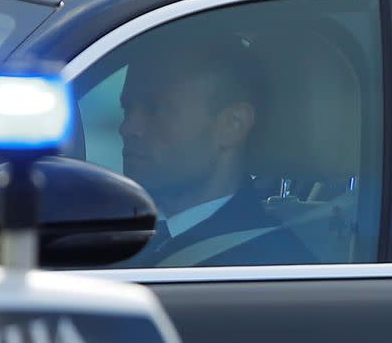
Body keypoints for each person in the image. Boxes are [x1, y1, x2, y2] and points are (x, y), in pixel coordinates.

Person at [114, 32, 315, 267]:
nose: (127, 127)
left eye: (156, 108)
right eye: (127, 109)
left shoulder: (271, 269)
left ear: (233, 125)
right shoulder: (105, 231)